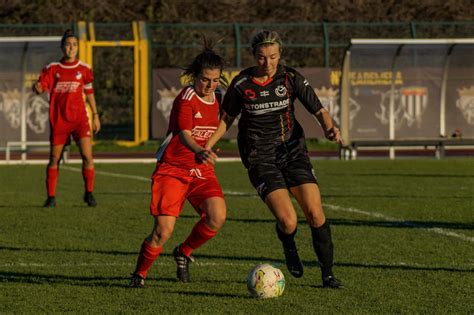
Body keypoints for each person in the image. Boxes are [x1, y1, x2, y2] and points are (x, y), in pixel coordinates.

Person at [206, 30, 343, 288]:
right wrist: (207, 147)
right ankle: (289, 244)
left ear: (279, 55)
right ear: (253, 56)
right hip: (260, 156)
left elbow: (319, 110)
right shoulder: (241, 83)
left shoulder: (290, 77)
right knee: (288, 220)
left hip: (292, 152)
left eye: (272, 57)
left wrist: (329, 128)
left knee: (315, 213)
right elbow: (226, 120)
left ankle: (328, 275)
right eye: (261, 58)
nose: (267, 63)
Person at [129, 42, 227, 288]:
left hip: (199, 169)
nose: (210, 85)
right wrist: (200, 150)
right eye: (206, 80)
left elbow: (220, 124)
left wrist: (208, 149)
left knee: (217, 216)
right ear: (195, 76)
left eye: (215, 80)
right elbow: (184, 134)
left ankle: (183, 253)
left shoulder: (218, 96)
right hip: (172, 168)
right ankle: (139, 275)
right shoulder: (186, 98)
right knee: (163, 231)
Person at [33, 29, 101, 208]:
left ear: (77, 47)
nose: (71, 48)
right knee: (54, 159)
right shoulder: (53, 68)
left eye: (74, 45)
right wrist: (38, 88)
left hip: (80, 120)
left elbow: (90, 93)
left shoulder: (84, 69)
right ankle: (51, 197)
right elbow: (41, 86)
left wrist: (95, 115)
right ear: (62, 47)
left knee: (87, 156)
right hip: (60, 121)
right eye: (68, 44)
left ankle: (89, 193)